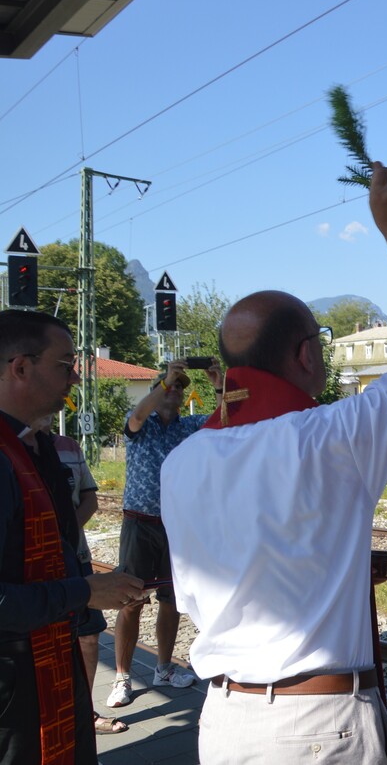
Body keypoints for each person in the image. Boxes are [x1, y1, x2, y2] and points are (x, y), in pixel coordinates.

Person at [161, 160, 387, 765]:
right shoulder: (335, 435)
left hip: (223, 722)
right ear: (305, 355)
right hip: (317, 729)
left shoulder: (182, 461)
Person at [0, 310, 143, 764]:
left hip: (46, 667)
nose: (76, 378)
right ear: (21, 367)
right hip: (13, 694)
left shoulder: (33, 445)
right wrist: (83, 591)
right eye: (65, 365)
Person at [106, 358, 221, 709]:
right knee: (131, 600)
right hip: (140, 522)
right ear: (158, 390)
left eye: (179, 388)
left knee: (172, 600)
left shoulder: (188, 427)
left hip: (175, 524)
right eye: (169, 387)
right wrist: (165, 382)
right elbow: (138, 416)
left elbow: (227, 419)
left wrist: (218, 382)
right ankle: (122, 676)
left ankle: (163, 668)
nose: (174, 392)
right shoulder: (142, 422)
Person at [32, 415, 127, 735]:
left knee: (88, 635)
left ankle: (83, 713)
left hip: (77, 557)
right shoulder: (14, 448)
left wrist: (66, 531)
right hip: (37, 566)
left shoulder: (69, 447)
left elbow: (90, 497)